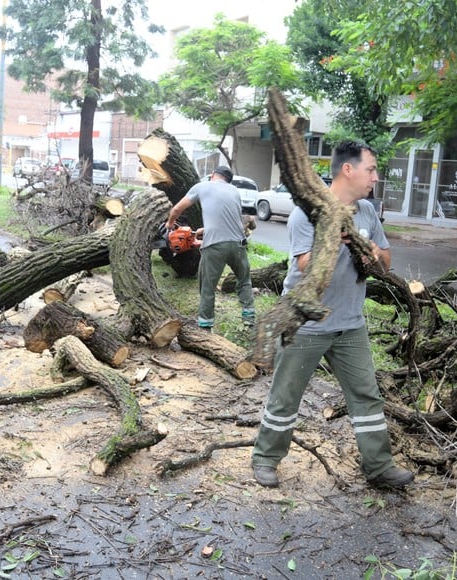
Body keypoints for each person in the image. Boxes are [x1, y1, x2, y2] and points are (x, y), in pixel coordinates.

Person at [251, 141, 414, 489]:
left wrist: (370, 250)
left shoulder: (367, 212)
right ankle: (265, 459)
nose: (375, 177)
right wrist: (332, 239)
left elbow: (386, 260)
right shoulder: (306, 212)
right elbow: (305, 265)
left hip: (349, 324)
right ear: (348, 170)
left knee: (366, 395)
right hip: (305, 322)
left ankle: (379, 467)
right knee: (286, 394)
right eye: (370, 170)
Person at [165, 166, 255, 331]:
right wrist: (203, 230)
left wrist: (169, 224)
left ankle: (205, 325)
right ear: (228, 180)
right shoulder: (234, 191)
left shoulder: (202, 186)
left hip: (215, 246)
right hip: (238, 244)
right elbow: (228, 220)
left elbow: (177, 209)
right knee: (244, 281)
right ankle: (249, 320)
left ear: (213, 175)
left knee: (207, 286)